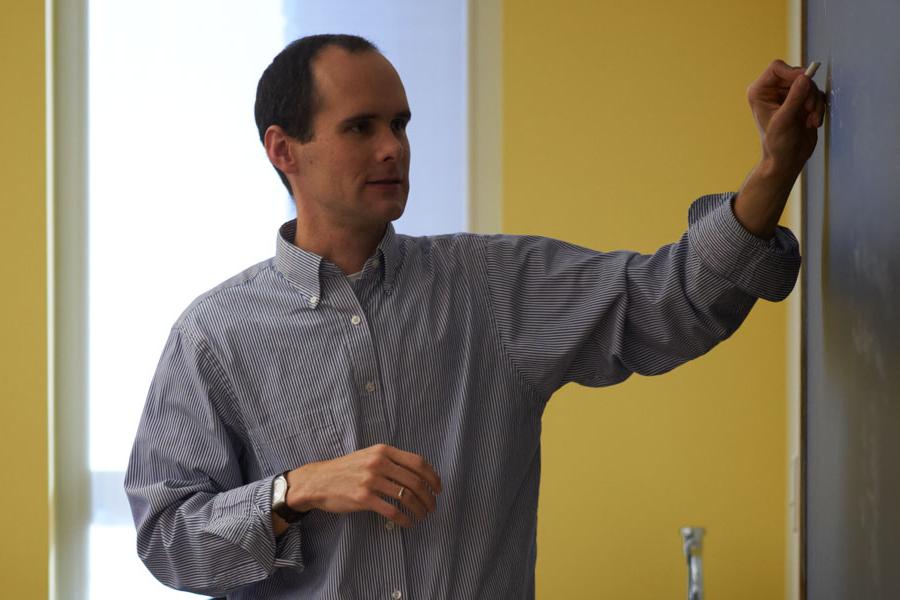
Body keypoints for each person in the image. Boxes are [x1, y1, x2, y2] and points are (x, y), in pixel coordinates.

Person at [125, 34, 826, 599]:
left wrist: (775, 169)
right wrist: (296, 490)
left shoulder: (489, 286)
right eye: (360, 127)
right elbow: (167, 544)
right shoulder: (213, 337)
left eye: (399, 123)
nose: (393, 147)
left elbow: (670, 301)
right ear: (284, 151)